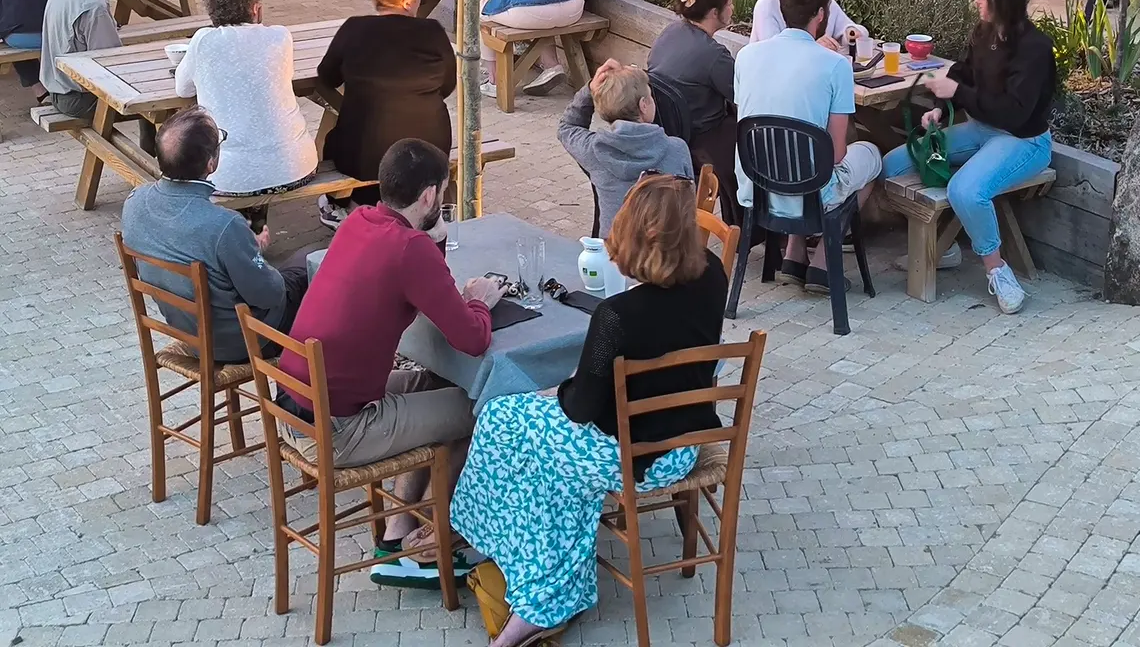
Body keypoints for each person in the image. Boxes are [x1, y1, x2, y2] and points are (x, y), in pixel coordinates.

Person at [451, 174, 728, 647]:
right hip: (683, 443)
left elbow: (580, 410)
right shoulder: (714, 277)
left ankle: (522, 576)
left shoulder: (616, 317)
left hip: (630, 459)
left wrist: (556, 391)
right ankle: (533, 570)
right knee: (547, 463)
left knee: (500, 418)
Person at [277, 139, 504, 584]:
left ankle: (398, 533)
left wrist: (431, 239)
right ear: (429, 197)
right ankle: (438, 541)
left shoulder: (358, 220)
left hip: (301, 405)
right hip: (340, 427)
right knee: (479, 406)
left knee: (439, 384)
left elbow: (416, 284)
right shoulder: (409, 250)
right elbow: (471, 338)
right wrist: (480, 301)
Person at [881, 0, 1055, 315]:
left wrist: (957, 89)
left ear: (1000, 0)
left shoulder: (1035, 49)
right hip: (981, 130)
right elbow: (962, 76)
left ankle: (998, 270)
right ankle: (944, 246)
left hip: (1024, 140)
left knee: (966, 189)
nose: (976, 0)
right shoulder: (984, 33)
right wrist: (940, 110)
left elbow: (1013, 112)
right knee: (893, 164)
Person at [121, 107, 309, 363]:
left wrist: (244, 250)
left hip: (187, 331)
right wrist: (254, 257)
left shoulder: (134, 201)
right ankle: (313, 387)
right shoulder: (224, 225)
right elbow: (269, 295)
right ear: (211, 163)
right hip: (242, 342)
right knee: (310, 262)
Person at [734, 0, 882, 294]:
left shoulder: (745, 58)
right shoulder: (834, 66)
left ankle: (794, 254)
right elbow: (838, 154)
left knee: (800, 155)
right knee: (870, 155)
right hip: (810, 194)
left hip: (757, 186)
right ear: (819, 16)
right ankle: (823, 264)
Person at [314, 0, 456, 229]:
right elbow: (447, 85)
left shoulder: (354, 28)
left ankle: (342, 204)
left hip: (367, 154)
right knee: (383, 148)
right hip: (431, 147)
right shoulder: (433, 32)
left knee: (336, 140)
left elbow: (327, 77)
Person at [175, 0, 317, 230]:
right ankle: (254, 215)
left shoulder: (203, 41)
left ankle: (243, 220)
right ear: (255, 9)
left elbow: (182, 89)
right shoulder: (280, 37)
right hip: (296, 167)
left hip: (226, 178)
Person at [558, 57, 694, 236]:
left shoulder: (595, 149)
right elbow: (689, 205)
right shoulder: (676, 149)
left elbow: (567, 127)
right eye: (650, 96)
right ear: (643, 105)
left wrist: (590, 89)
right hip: (664, 255)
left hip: (614, 255)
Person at [647, 0, 738, 223]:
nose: (733, 9)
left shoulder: (670, 32)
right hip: (704, 139)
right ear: (713, 13)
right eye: (729, 5)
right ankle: (754, 226)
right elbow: (744, 94)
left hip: (669, 128)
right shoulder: (713, 54)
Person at [39, 0, 122, 119]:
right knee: (152, 102)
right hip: (78, 98)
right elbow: (112, 65)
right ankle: (154, 150)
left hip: (59, 89)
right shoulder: (94, 7)